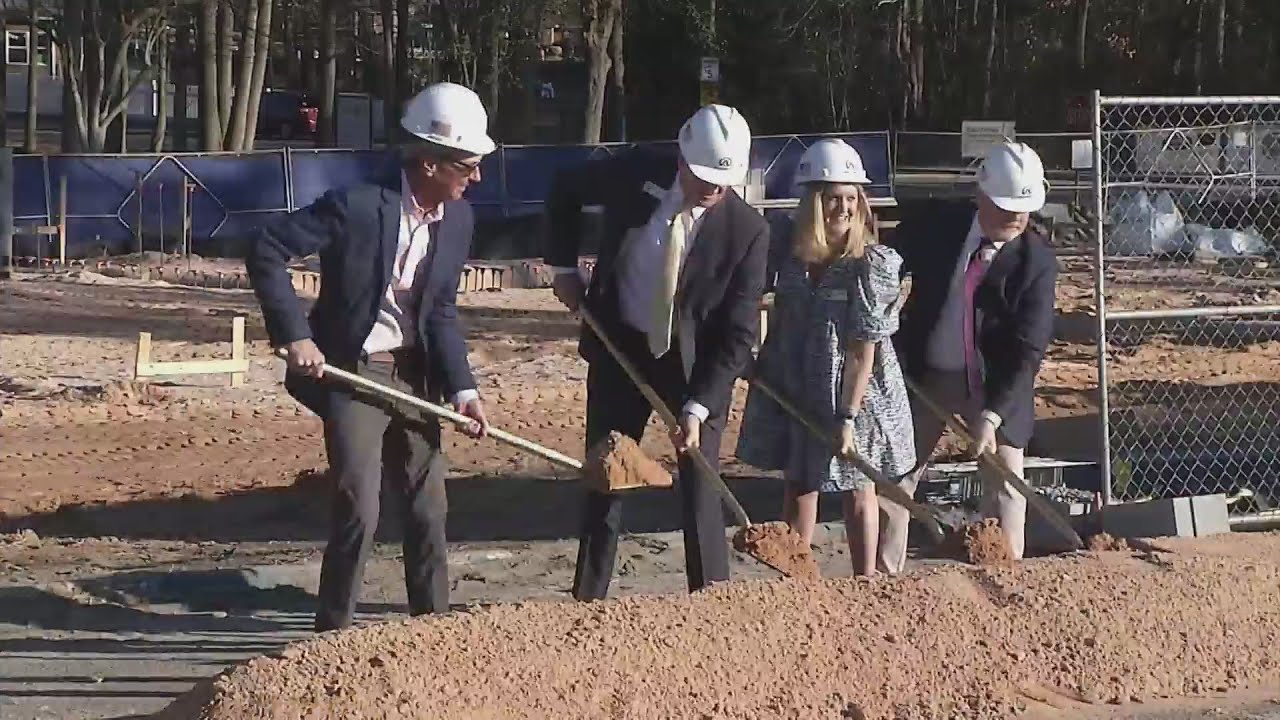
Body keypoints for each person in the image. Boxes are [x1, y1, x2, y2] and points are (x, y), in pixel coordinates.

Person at [244, 82, 495, 631]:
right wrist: (295, 335)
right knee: (361, 505)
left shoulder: (458, 221)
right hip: (353, 371)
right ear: (430, 163)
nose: (475, 178)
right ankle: (334, 634)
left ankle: (434, 631)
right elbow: (266, 248)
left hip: (415, 374)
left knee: (429, 509)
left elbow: (442, 313)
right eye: (467, 166)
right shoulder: (357, 206)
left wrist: (464, 390)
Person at [544, 104, 770, 601]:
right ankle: (588, 599)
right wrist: (563, 267)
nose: (712, 189)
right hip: (619, 346)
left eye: (723, 181)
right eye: (704, 177)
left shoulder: (747, 231)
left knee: (701, 484)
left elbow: (737, 333)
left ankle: (710, 602)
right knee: (607, 473)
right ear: (682, 157)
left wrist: (697, 405)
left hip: (694, 369)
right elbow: (565, 187)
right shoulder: (634, 172)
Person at [736, 139, 915, 577]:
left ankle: (865, 580)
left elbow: (862, 348)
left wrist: (848, 416)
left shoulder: (870, 264)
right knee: (800, 481)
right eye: (833, 197)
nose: (843, 208)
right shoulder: (791, 256)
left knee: (858, 487)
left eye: (851, 198)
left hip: (857, 393)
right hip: (798, 383)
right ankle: (797, 576)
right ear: (812, 201)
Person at [881, 141, 1058, 573]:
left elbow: (1027, 349)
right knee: (896, 476)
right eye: (1005, 207)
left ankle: (1004, 573)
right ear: (981, 195)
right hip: (927, 377)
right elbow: (886, 260)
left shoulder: (1036, 262)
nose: (1016, 217)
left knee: (1007, 487)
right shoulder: (940, 226)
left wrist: (993, 415)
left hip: (994, 386)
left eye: (1024, 209)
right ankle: (881, 576)